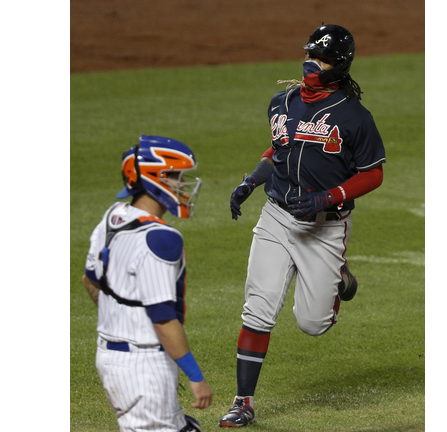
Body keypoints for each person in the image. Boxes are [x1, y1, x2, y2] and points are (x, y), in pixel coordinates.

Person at [219, 24, 386, 428]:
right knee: (257, 308)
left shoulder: (354, 117)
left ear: (339, 66)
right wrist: (251, 181)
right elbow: (278, 149)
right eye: (311, 54)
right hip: (275, 217)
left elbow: (372, 173)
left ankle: (339, 280)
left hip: (324, 228)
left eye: (323, 59)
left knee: (313, 323)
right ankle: (243, 400)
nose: (313, 63)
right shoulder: (283, 101)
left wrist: (327, 197)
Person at [82, 135, 212, 432]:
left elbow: (90, 281)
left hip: (111, 358)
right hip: (143, 366)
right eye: (177, 177)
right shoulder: (162, 239)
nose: (182, 185)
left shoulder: (112, 218)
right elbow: (163, 319)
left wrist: (121, 320)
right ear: (157, 178)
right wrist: (195, 377)